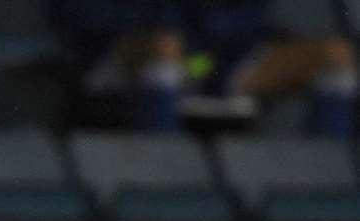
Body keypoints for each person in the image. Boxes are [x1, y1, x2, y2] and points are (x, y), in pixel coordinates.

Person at [48, 0, 357, 135]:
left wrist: (207, 54)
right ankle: (162, 174)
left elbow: (243, 18)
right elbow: (82, 17)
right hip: (115, 57)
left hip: (210, 61)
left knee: (335, 55)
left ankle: (324, 180)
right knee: (165, 48)